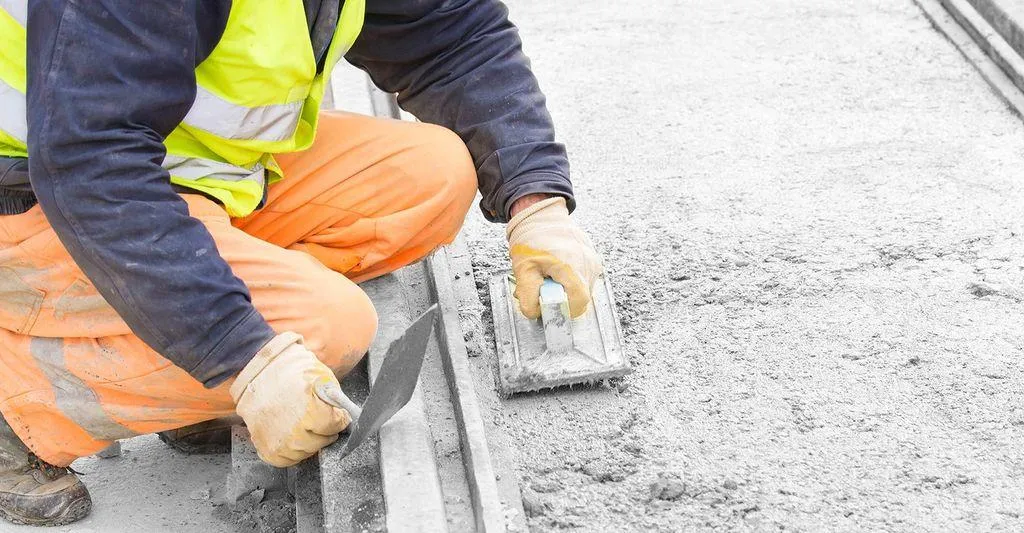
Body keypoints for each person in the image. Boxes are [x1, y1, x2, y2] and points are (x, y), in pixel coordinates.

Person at [0, 0, 603, 526]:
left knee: (430, 177)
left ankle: (177, 371)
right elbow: (93, 166)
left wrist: (536, 202)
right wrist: (241, 353)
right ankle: (16, 405)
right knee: (324, 330)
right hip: (45, 194)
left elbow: (454, 35)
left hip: (186, 178)